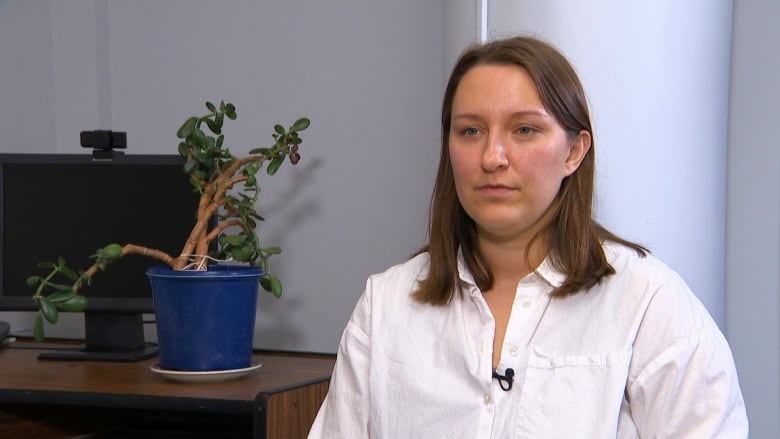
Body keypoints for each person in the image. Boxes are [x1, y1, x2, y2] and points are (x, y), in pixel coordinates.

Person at [308, 35, 748, 438]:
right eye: (471, 131)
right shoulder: (385, 305)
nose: (492, 157)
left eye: (524, 130)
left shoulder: (650, 304)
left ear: (574, 151)